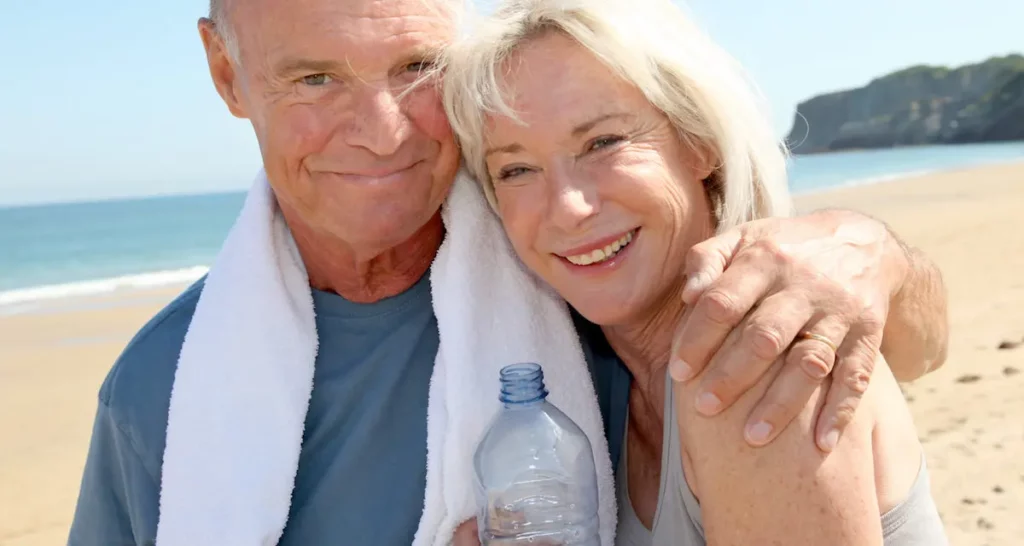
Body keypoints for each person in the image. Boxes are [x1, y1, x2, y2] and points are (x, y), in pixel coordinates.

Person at [66, 0, 948, 544]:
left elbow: (898, 354)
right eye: (314, 79)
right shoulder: (158, 393)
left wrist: (876, 255)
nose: (380, 130)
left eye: (416, 68)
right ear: (227, 72)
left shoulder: (732, 339)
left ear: (703, 144)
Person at [441, 0, 948, 544]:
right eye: (516, 169)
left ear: (699, 142)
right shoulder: (586, 387)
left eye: (602, 142)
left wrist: (882, 254)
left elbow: (927, 344)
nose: (567, 207)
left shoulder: (757, 362)